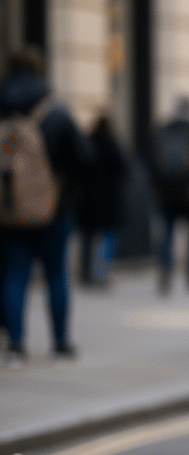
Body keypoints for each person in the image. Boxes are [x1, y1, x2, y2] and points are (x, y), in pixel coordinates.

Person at [0, 47, 93, 362]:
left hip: (8, 209)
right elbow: (83, 160)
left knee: (14, 275)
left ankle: (15, 344)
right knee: (56, 274)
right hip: (54, 207)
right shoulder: (55, 112)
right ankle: (60, 342)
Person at [151, 97, 189, 293]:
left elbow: (153, 162)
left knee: (167, 233)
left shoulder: (164, 131)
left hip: (167, 193)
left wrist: (158, 189)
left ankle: (165, 272)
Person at [77, 114, 128, 286]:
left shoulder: (86, 142)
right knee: (109, 235)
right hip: (108, 198)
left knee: (87, 236)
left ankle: (84, 270)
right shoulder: (112, 144)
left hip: (88, 198)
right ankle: (100, 271)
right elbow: (123, 169)